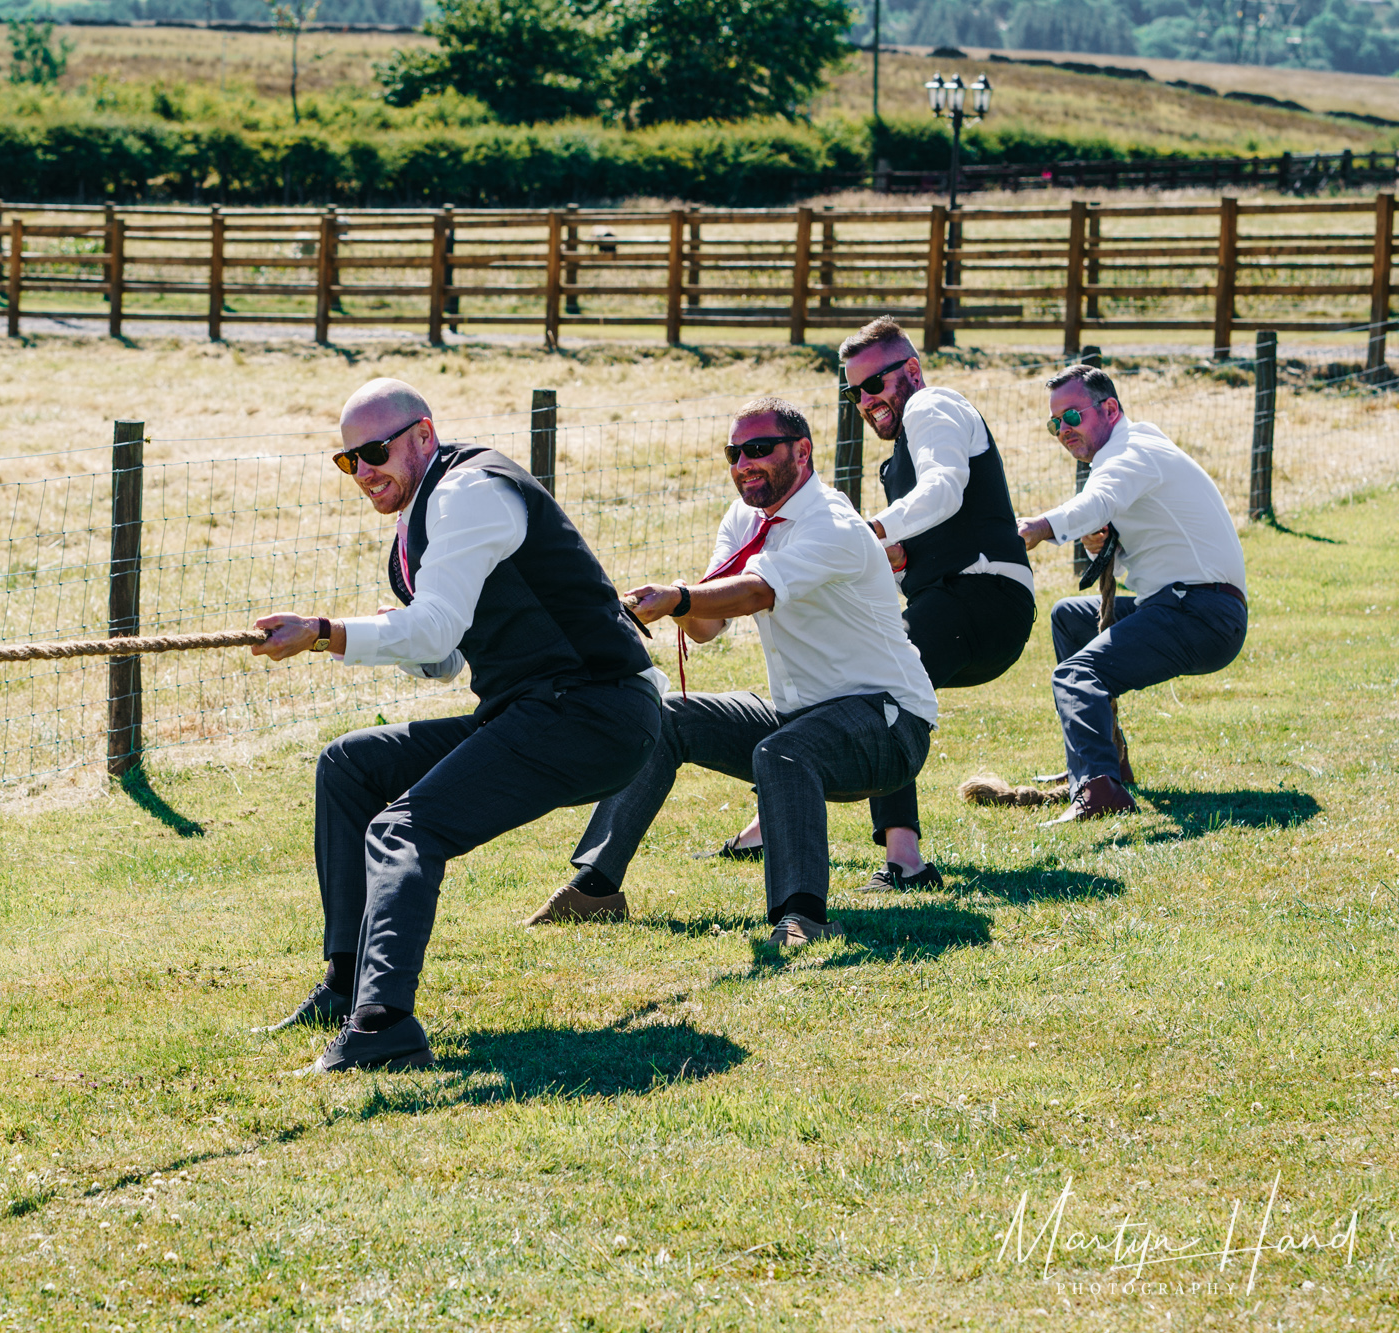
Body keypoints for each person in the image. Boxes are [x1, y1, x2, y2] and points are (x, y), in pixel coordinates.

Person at [249, 377, 662, 1072]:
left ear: (424, 435)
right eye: (348, 461)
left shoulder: (470, 492)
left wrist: (324, 631)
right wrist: (377, 631)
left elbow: (436, 626)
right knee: (350, 766)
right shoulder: (414, 530)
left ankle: (384, 1025)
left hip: (595, 709)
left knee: (406, 826)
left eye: (375, 450)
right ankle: (347, 985)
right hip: (535, 709)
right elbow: (441, 655)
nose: (364, 471)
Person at [522, 397, 938, 948]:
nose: (744, 463)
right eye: (734, 452)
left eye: (760, 449)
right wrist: (642, 606)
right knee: (665, 716)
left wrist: (678, 594)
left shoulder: (832, 523)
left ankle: (802, 915)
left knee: (783, 751)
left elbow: (758, 591)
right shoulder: (744, 520)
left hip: (890, 726)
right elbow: (706, 627)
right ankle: (594, 888)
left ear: (803, 451)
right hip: (802, 717)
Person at [707, 317, 1032, 892]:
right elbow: (930, 528)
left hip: (979, 597)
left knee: (877, 687)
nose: (865, 401)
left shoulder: (932, 408)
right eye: (853, 391)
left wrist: (869, 530)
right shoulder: (903, 445)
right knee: (855, 681)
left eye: (874, 385)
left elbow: (945, 488)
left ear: (911, 370)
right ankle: (777, 812)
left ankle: (905, 860)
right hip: (963, 599)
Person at [1016, 364, 1247, 822]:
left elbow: (1097, 502)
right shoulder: (1127, 453)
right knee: (1070, 616)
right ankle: (1104, 766)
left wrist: (1039, 528)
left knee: (1076, 676)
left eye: (1072, 417)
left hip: (1200, 611)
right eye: (1054, 423)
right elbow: (1134, 549)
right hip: (1185, 604)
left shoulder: (1133, 452)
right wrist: (1102, 546)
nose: (1063, 430)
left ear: (1110, 408)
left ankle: (1099, 791)